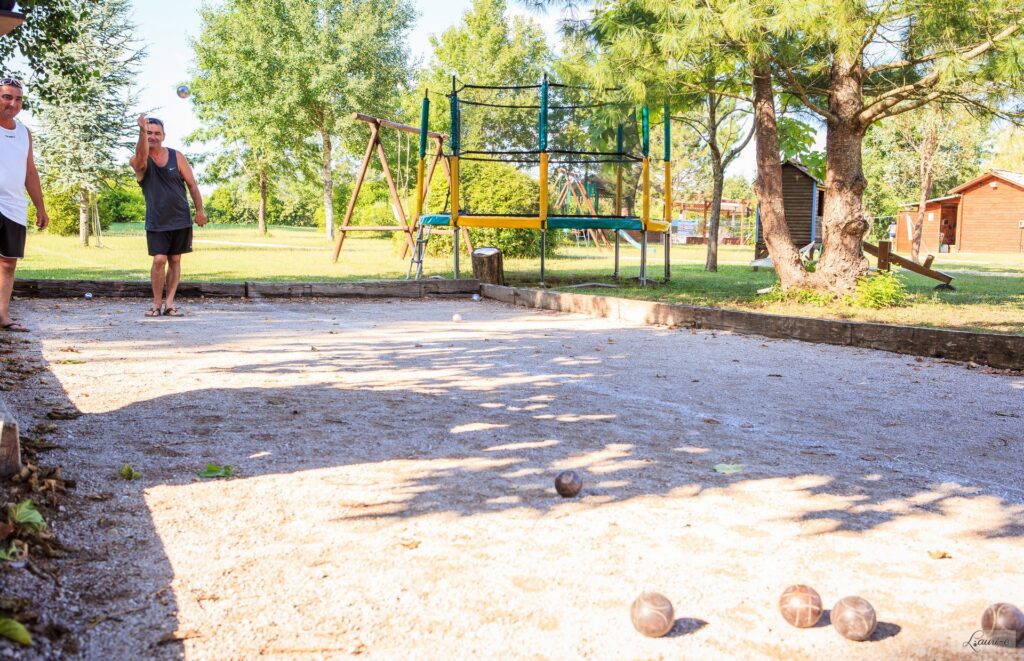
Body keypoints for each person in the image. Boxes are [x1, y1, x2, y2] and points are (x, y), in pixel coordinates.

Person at [130, 114, 206, 317]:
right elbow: (139, 160)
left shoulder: (176, 156)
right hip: (157, 220)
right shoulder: (139, 161)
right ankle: (156, 303)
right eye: (148, 133)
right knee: (159, 260)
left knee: (175, 260)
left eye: (156, 133)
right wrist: (140, 132)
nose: (152, 137)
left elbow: (192, 185)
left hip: (180, 218)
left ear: (163, 136)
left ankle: (170, 303)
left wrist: (199, 211)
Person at [0, 77, 49, 333]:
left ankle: (2, 315)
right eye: (7, 97)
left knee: (8, 262)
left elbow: (30, 172)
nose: (13, 103)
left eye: (18, 98)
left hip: (14, 205)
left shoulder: (23, 132)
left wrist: (40, 206)